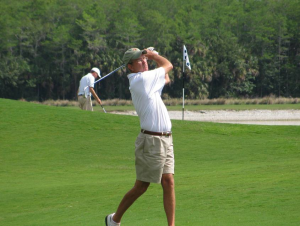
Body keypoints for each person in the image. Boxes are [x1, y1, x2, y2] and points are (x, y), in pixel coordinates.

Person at [105, 48, 175, 226]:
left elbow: (166, 77)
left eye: (145, 59)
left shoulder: (148, 79)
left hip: (166, 139)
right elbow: (169, 65)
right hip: (151, 141)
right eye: (140, 60)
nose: (144, 62)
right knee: (141, 186)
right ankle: (114, 220)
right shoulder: (141, 80)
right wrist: (154, 56)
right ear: (130, 66)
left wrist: (153, 58)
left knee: (168, 182)